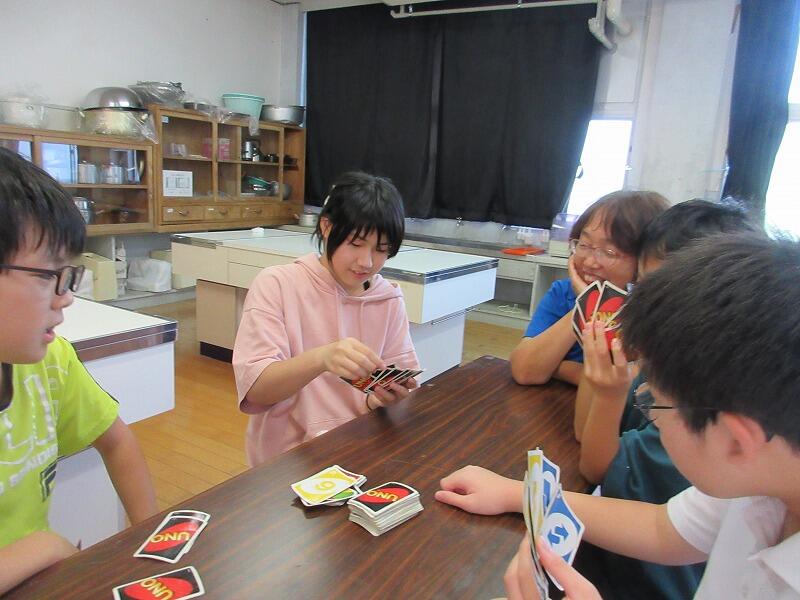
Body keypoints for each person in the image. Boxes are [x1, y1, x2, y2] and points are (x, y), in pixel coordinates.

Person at [439, 233, 800, 599]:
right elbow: (662, 529)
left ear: (737, 441)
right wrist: (518, 494)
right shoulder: (761, 480)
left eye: (656, 405)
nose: (648, 411)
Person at [574, 200, 759, 600]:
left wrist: (609, 390)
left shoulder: (694, 400)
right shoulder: (752, 493)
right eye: (642, 288)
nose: (643, 308)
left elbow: (598, 465)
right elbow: (669, 528)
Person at [0, 147, 157, 594]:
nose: (66, 296)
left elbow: (117, 441)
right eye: (48, 274)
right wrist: (43, 547)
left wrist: (153, 541)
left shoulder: (48, 362)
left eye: (69, 275)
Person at [233, 171, 420, 465]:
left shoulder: (388, 299)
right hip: (287, 460)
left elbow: (404, 391)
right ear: (327, 227)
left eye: (381, 250)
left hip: (361, 450)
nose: (366, 262)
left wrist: (380, 399)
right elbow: (256, 392)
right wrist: (322, 358)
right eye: (355, 243)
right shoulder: (278, 285)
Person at [509, 191, 668, 399]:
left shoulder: (653, 311)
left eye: (610, 252)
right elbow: (525, 370)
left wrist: (560, 368)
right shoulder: (564, 293)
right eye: (584, 245)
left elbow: (634, 387)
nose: (590, 262)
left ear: (644, 260)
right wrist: (586, 303)